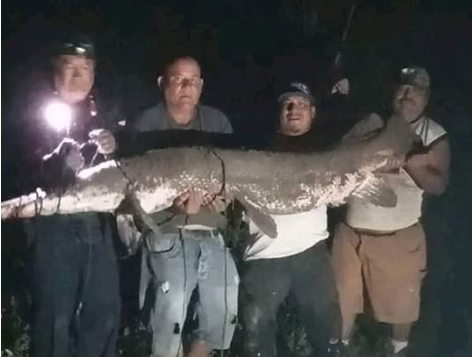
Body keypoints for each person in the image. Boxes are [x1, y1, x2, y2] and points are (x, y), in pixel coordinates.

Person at [330, 67, 450, 356]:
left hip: (398, 237)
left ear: (426, 97)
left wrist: (409, 161)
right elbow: (341, 154)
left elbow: (439, 185)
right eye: (403, 88)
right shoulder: (371, 122)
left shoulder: (432, 134)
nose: (408, 94)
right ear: (394, 93)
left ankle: (397, 347)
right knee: (341, 300)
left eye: (416, 90)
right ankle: (342, 346)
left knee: (400, 308)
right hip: (350, 236)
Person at [21, 34, 121, 357]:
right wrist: (56, 161)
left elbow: (130, 165)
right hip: (53, 226)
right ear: (55, 72)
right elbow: (22, 167)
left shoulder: (104, 114)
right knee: (54, 318)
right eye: (70, 66)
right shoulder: (34, 112)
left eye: (86, 67)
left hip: (98, 227)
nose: (78, 75)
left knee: (104, 314)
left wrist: (114, 147)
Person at [131, 56, 238, 357]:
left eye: (193, 79)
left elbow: (231, 177)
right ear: (162, 84)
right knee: (172, 308)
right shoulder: (146, 124)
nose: (187, 86)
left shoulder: (218, 123)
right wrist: (173, 205)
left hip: (211, 231)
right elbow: (137, 186)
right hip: (166, 231)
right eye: (178, 78)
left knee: (222, 305)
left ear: (202, 86)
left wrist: (224, 198)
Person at [240, 82, 341, 357]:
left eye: (301, 104)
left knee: (328, 334)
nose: (293, 109)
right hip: (264, 255)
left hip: (312, 254)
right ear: (279, 112)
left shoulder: (326, 151)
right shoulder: (257, 149)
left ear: (313, 112)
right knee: (256, 339)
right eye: (287, 104)